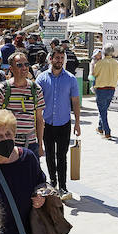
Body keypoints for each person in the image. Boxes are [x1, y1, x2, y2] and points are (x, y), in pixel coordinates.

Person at [37, 49, 81, 198]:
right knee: (49, 154)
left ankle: (63, 186)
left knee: (62, 155)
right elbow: (36, 102)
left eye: (62, 58)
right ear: (50, 59)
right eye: (56, 58)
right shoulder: (41, 78)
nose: (59, 61)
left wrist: (77, 123)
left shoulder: (70, 79)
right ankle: (53, 182)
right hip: (47, 123)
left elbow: (75, 101)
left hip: (64, 123)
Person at [0, 52, 45, 159]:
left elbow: (39, 119)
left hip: (31, 143)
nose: (24, 68)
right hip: (8, 144)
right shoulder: (2, 89)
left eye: (26, 64)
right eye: (19, 65)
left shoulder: (36, 89)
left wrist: (40, 145)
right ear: (11, 68)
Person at [91, 44, 118, 139]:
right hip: (111, 89)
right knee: (104, 110)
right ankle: (100, 127)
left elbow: (94, 74)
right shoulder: (116, 63)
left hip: (101, 89)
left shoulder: (100, 63)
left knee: (103, 111)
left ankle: (107, 131)